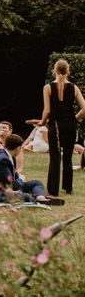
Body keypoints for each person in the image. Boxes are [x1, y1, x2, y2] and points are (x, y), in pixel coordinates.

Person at [38, 59, 85, 197]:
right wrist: (74, 118)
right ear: (68, 70)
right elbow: (84, 109)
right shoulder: (74, 87)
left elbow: (47, 110)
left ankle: (53, 190)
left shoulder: (47, 88)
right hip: (70, 125)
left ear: (55, 70)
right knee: (68, 156)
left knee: (55, 157)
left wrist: (42, 122)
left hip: (56, 125)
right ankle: (68, 188)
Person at [0, 134, 63, 205]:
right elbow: (13, 185)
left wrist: (18, 177)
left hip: (6, 186)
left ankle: (40, 198)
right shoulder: (2, 160)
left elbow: (11, 176)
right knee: (27, 197)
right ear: (18, 148)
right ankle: (37, 198)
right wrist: (21, 179)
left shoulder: (6, 155)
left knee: (36, 183)